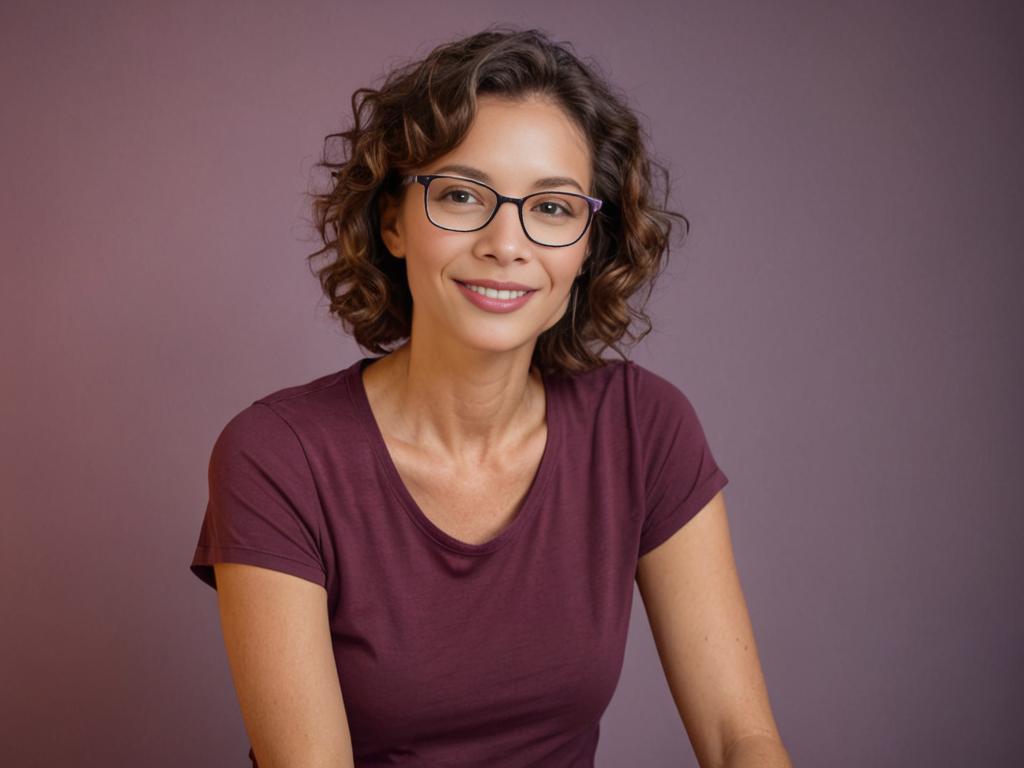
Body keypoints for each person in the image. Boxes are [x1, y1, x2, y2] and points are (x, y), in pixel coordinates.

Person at [189, 25, 792, 768]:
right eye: (462, 195)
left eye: (552, 208)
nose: (507, 242)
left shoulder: (644, 426)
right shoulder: (280, 454)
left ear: (587, 246)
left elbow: (741, 741)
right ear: (393, 222)